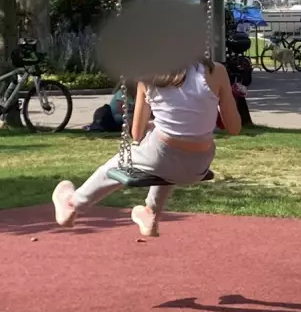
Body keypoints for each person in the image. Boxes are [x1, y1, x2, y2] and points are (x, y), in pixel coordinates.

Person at [54, 56, 243, 239]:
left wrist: (157, 123)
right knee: (166, 157)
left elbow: (136, 134)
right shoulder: (216, 71)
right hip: (198, 166)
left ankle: (73, 203)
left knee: (115, 167)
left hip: (161, 156)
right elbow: (234, 128)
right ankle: (151, 213)